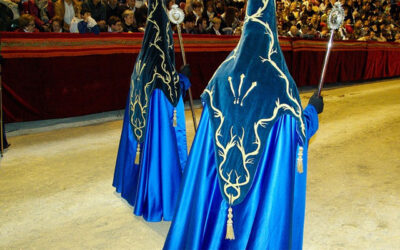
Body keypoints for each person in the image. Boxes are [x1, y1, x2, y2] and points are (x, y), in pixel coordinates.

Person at [164, 0, 323, 248]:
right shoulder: (279, 84)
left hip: (219, 178)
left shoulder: (221, 75)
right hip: (256, 184)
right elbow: (296, 132)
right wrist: (312, 110)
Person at [112, 1, 190, 222]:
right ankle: (161, 194)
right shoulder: (160, 62)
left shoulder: (143, 59)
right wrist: (184, 77)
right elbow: (171, 88)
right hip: (156, 125)